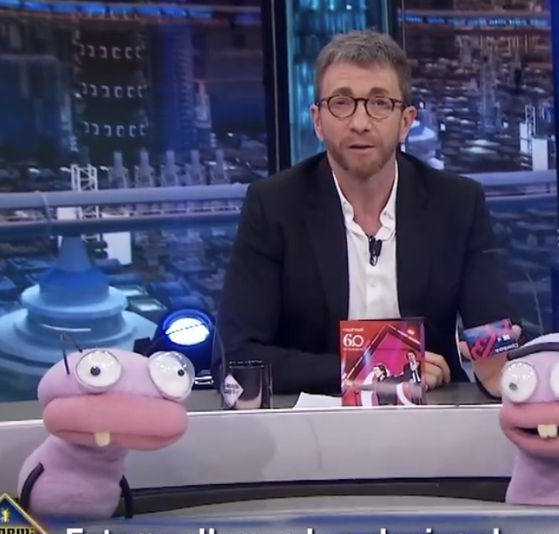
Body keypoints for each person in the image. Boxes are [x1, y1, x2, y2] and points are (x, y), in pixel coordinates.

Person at [219, 30, 519, 396]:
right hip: (314, 421)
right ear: (318, 120)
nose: (360, 122)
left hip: (432, 416)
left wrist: (496, 358)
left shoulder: (457, 203)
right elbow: (237, 357)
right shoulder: (273, 205)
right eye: (342, 103)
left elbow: (493, 332)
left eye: (379, 103)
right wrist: (379, 368)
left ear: (406, 121)